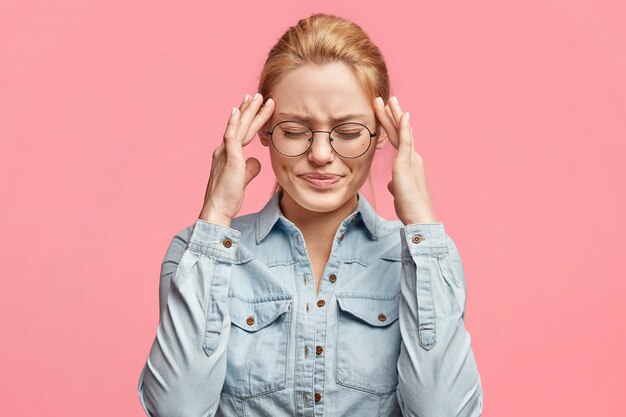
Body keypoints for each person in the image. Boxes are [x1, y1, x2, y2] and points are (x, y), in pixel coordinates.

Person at [137, 12, 483, 417]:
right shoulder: (196, 253)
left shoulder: (426, 260)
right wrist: (215, 215)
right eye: (295, 130)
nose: (320, 155)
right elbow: (177, 409)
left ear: (383, 133)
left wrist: (421, 223)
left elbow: (442, 411)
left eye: (350, 132)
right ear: (263, 130)